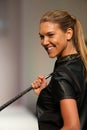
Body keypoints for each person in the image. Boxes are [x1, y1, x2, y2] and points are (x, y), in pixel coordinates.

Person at [31, 10, 87, 130]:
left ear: (68, 33)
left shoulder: (62, 74)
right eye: (41, 36)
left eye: (50, 35)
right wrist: (47, 94)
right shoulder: (81, 62)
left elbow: (72, 127)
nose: (44, 42)